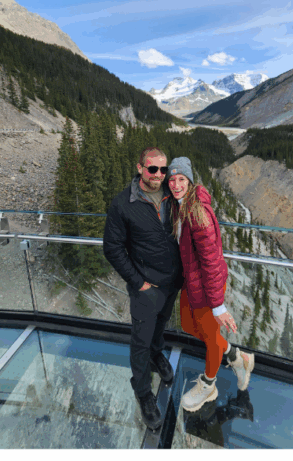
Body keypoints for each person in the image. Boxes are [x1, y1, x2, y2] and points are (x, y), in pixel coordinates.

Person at [103, 147, 184, 430]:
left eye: (163, 170)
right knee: (140, 339)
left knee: (159, 326)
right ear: (140, 168)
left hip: (172, 281)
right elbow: (112, 248)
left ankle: (156, 353)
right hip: (146, 286)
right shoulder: (123, 203)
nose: (159, 175)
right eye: (153, 169)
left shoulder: (172, 197)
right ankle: (143, 392)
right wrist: (139, 283)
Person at [167, 157, 254, 412]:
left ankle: (208, 386)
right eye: (172, 180)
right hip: (192, 283)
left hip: (206, 288)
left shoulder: (197, 213)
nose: (176, 184)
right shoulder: (181, 205)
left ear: (190, 181)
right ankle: (239, 358)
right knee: (188, 325)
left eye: (181, 179)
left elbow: (212, 261)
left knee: (211, 337)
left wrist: (217, 305)